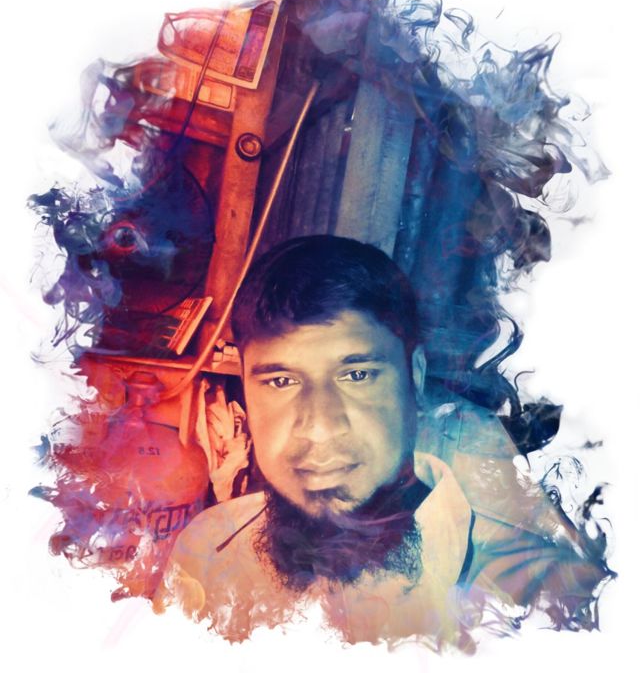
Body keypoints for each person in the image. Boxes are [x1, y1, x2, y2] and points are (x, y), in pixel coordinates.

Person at [155, 235, 608, 648]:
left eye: (357, 375)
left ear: (415, 377)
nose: (318, 426)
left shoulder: (538, 605)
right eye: (281, 381)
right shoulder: (205, 551)